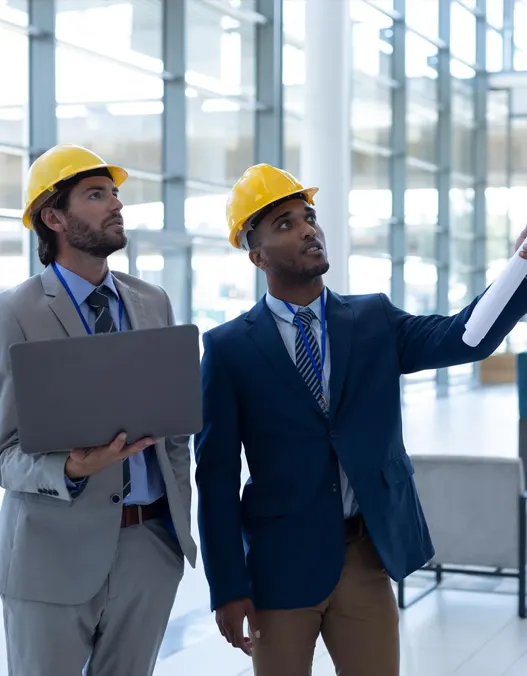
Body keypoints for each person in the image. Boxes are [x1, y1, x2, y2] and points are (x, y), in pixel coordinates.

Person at [194, 163, 527, 676]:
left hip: (366, 556)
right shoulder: (228, 348)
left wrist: (520, 269)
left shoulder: (373, 319)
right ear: (256, 255)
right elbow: (215, 478)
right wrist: (228, 587)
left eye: (308, 216)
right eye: (284, 223)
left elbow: (469, 337)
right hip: (280, 564)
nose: (307, 228)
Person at [0, 144, 197, 676]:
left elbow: (175, 431)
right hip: (51, 556)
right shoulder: (14, 312)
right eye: (95, 194)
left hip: (150, 549)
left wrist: (173, 533)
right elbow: (3, 452)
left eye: (114, 193)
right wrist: (68, 469)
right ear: (53, 217)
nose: (116, 205)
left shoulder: (152, 301)